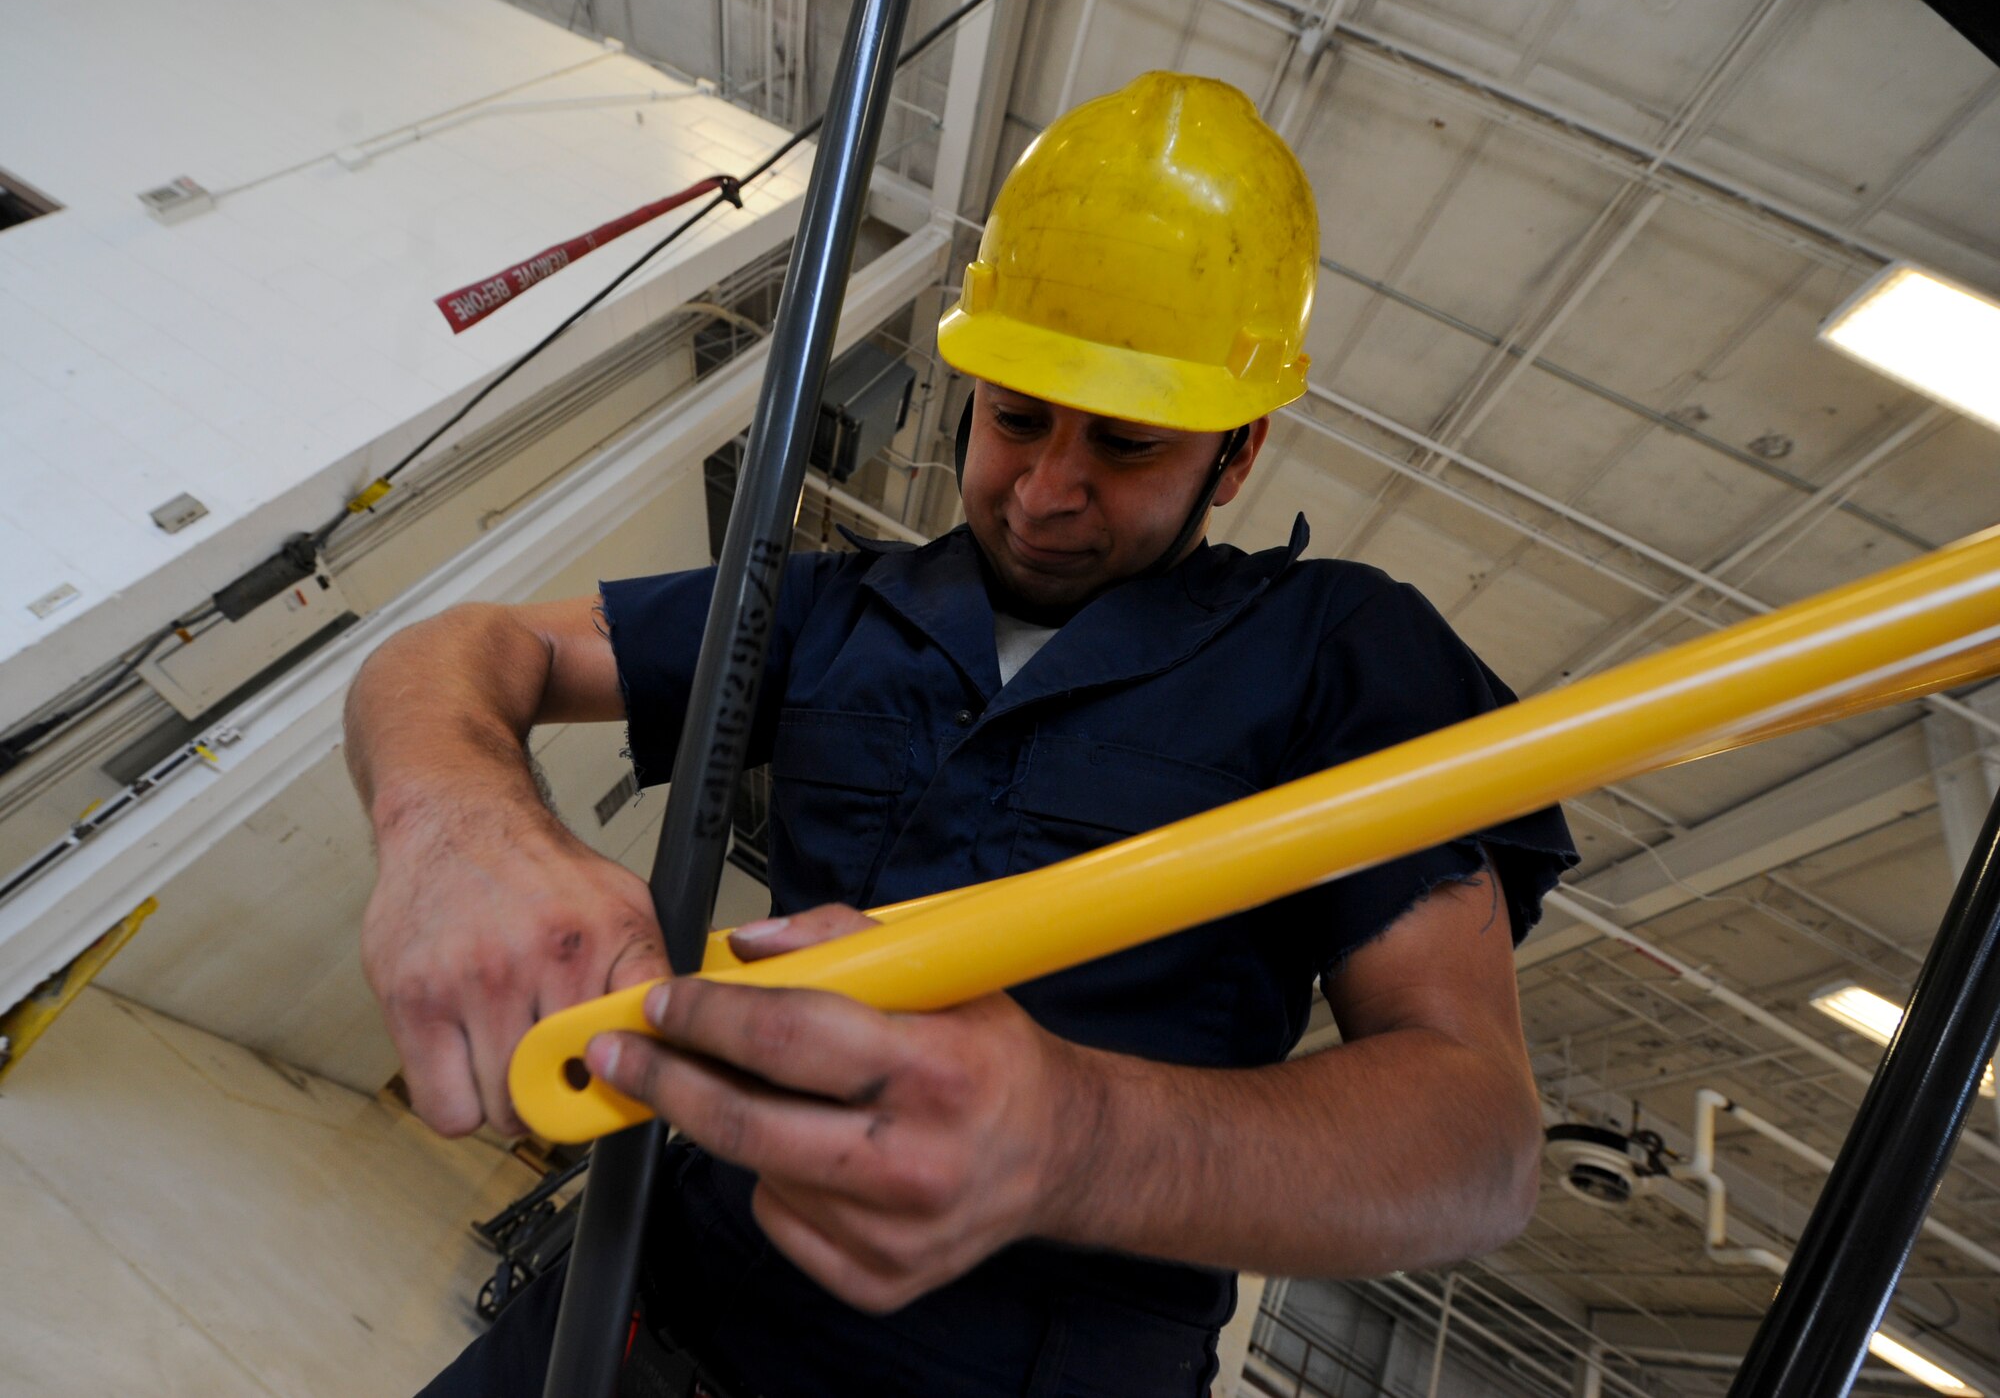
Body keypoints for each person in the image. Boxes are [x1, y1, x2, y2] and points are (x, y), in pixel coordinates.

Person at [345, 72, 1577, 1398]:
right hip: (640, 1318)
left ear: (1236, 454)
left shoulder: (1342, 656)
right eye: (1016, 417)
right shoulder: (829, 605)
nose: (1047, 491)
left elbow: (1477, 1141)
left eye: (1124, 444)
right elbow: (459, 654)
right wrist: (458, 824)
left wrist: (1078, 1139)